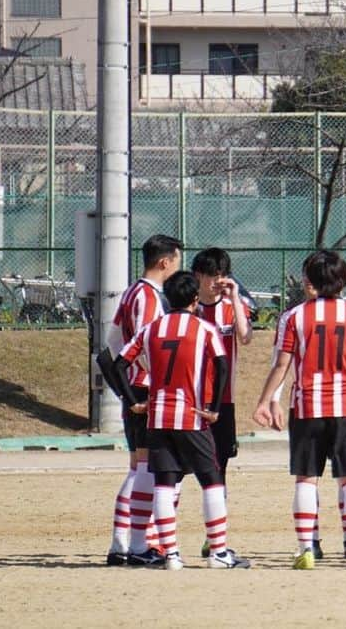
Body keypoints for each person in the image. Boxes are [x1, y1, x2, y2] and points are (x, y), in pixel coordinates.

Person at [252, 250, 346, 571]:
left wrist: (265, 399)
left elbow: (282, 365)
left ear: (309, 281)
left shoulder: (294, 317)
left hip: (306, 408)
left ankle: (307, 550)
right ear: (343, 281)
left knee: (306, 479)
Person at [112, 270, 251, 571]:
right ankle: (219, 552)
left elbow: (120, 362)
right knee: (211, 481)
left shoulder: (152, 329)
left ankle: (172, 556)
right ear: (193, 299)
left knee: (164, 483)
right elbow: (222, 364)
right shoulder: (203, 329)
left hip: (158, 418)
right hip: (191, 416)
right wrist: (213, 407)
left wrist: (134, 401)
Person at [104, 233, 182, 567]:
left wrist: (122, 388)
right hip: (148, 389)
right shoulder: (150, 298)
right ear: (165, 262)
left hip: (134, 388)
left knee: (139, 467)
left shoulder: (131, 293)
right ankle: (136, 544)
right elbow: (150, 346)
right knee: (148, 469)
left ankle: (123, 543)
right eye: (177, 261)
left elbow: (110, 344)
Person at [192, 247, 253, 557]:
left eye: (221, 275)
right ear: (197, 276)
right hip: (190, 398)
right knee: (175, 469)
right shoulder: (187, 308)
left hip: (222, 400)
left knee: (220, 467)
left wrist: (235, 299)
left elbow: (245, 336)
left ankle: (212, 535)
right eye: (211, 275)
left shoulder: (232, 307)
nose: (216, 281)